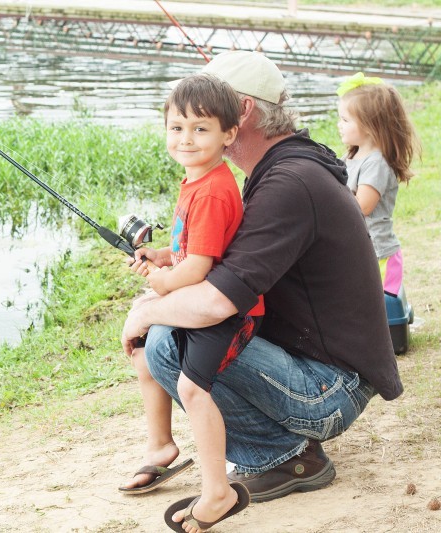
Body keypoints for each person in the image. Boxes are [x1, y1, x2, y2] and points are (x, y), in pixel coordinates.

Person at [123, 51, 403, 532]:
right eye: (179, 124)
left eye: (206, 113)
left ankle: (282, 456)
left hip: (330, 391)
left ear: (241, 115)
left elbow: (216, 302)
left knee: (169, 339)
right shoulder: (283, 166)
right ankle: (263, 447)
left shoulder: (288, 182)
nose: (190, 131)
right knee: (169, 324)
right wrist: (169, 267)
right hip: (326, 371)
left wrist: (149, 312)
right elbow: (220, 262)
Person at [119, 74, 263, 529]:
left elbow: (198, 269)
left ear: (229, 134)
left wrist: (161, 282)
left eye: (201, 129)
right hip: (201, 292)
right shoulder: (197, 182)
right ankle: (161, 444)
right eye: (176, 127)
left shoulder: (215, 190)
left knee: (192, 389)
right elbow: (194, 250)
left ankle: (217, 491)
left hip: (224, 310)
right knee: (144, 354)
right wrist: (162, 257)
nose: (186, 138)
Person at [336, 72, 420, 295]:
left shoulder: (377, 163)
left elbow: (362, 206)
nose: (339, 125)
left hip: (379, 255)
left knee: (380, 306)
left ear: (370, 125)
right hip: (362, 251)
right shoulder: (351, 157)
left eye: (345, 120)